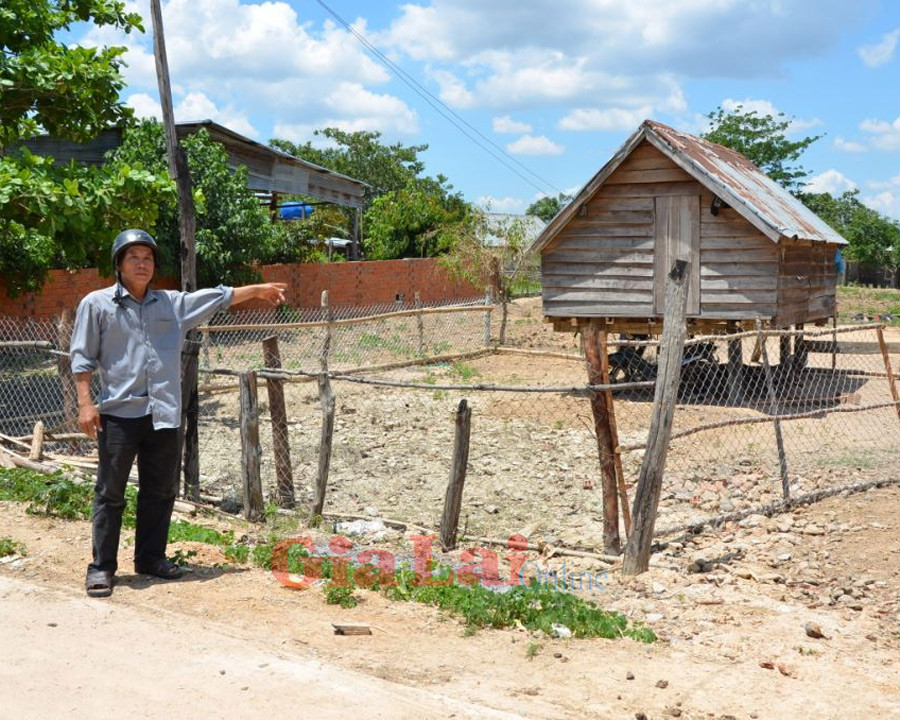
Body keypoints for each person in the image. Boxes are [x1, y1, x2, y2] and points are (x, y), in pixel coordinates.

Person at [71, 229, 287, 598]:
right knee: (110, 493)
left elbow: (217, 297)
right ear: (119, 264)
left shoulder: (171, 304)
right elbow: (82, 357)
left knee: (160, 491)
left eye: (148, 258)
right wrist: (85, 404)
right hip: (120, 415)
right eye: (133, 257)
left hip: (164, 414)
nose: (142, 264)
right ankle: (102, 567)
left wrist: (256, 290)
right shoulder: (97, 304)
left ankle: (150, 559)